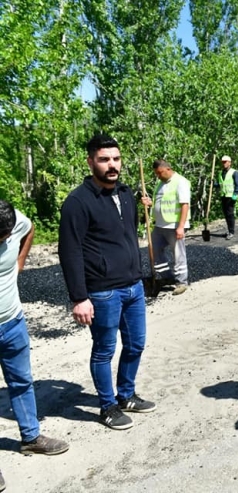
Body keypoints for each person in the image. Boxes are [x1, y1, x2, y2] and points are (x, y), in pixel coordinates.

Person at [59, 133, 156, 431]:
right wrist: (79, 297)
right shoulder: (78, 201)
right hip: (102, 291)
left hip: (133, 285)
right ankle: (107, 406)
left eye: (115, 158)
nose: (111, 165)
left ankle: (126, 395)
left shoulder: (126, 194)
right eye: (104, 160)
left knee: (136, 344)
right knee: (104, 350)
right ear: (90, 162)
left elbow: (123, 235)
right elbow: (69, 250)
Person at [0, 200, 69, 490]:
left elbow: (29, 229)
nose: (3, 241)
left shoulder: (14, 220)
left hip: (13, 322)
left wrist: (19, 263)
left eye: (4, 237)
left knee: (22, 382)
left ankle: (31, 438)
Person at [141, 159, 191, 295]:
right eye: (156, 174)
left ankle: (181, 282)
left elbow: (184, 205)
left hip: (174, 225)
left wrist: (181, 227)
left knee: (178, 253)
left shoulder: (181, 182)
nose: (158, 176)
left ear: (168, 169)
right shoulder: (161, 183)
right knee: (154, 249)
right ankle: (166, 277)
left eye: (159, 173)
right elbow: (161, 202)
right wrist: (149, 202)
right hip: (160, 224)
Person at [215, 155, 238, 240]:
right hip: (223, 196)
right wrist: (215, 184)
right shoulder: (220, 173)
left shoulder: (234, 172)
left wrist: (236, 193)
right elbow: (221, 184)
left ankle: (231, 232)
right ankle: (229, 230)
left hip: (231, 196)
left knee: (230, 214)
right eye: (222, 162)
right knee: (226, 214)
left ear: (229, 163)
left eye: (225, 162)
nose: (224, 163)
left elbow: (237, 184)